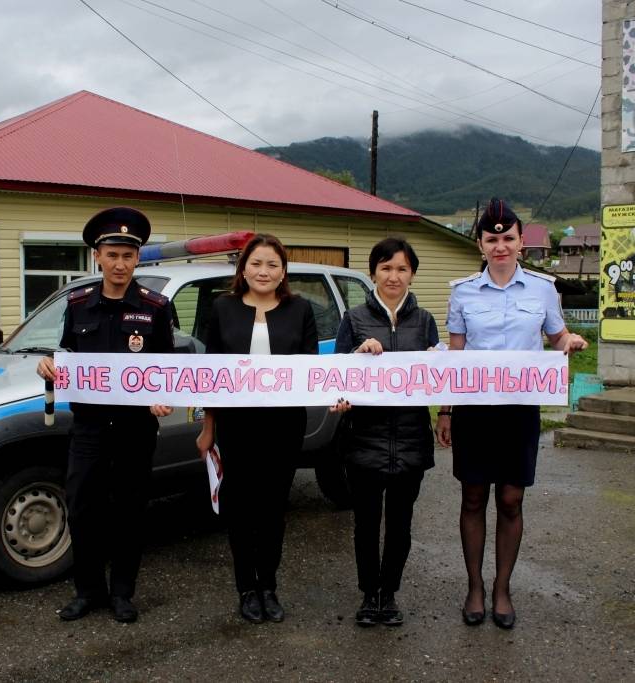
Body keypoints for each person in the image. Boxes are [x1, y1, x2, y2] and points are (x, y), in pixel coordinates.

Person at [434, 198, 587, 630]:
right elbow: (457, 353)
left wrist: (569, 343)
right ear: (479, 244)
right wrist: (445, 409)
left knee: (511, 499)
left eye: (508, 238)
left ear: (521, 242)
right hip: (474, 411)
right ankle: (474, 588)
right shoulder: (463, 291)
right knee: (474, 496)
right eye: (491, 239)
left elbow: (556, 335)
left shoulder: (542, 289)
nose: (500, 246)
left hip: (520, 410)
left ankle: (502, 587)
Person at [37, 207, 174, 624]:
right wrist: (49, 365)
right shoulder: (79, 305)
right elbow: (66, 354)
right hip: (90, 428)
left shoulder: (156, 308)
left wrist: (162, 395)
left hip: (135, 428)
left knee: (129, 510)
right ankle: (88, 591)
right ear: (97, 256)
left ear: (138, 259)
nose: (120, 264)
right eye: (112, 254)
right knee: (82, 508)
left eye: (128, 256)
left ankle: (123, 594)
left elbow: (168, 367)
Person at [195, 233, 318, 624]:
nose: (264, 271)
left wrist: (338, 391)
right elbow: (210, 375)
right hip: (236, 426)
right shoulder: (223, 308)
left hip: (283, 426)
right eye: (256, 263)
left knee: (273, 508)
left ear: (283, 271)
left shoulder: (300, 310)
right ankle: (246, 588)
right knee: (240, 507)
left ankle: (268, 585)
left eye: (272, 264)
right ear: (243, 268)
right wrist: (208, 426)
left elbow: (312, 370)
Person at [330, 237, 439, 628]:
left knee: (401, 524)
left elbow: (438, 379)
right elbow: (336, 380)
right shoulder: (354, 319)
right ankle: (367, 594)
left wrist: (434, 365)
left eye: (402, 269)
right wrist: (357, 358)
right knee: (365, 523)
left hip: (410, 440)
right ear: (373, 271)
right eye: (386, 268)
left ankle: (389, 593)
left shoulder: (425, 321)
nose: (394, 276)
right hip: (364, 441)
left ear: (412, 273)